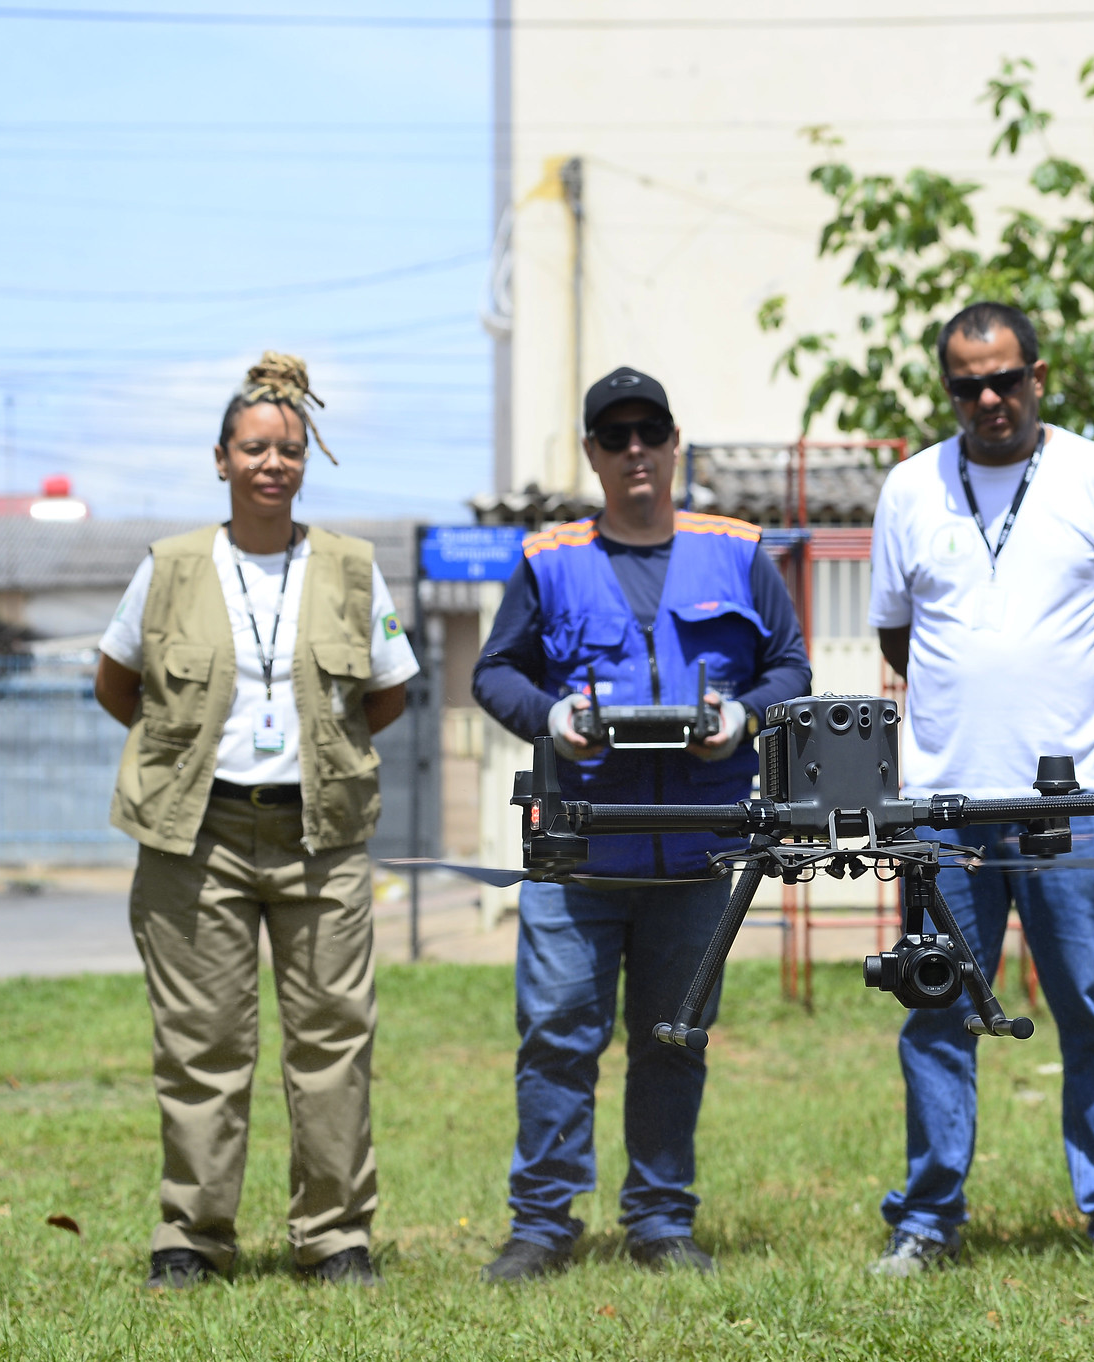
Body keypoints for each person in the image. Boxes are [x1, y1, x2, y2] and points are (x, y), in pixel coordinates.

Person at [472, 366, 811, 1281]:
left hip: (698, 853)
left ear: (673, 445)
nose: (633, 452)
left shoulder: (737, 551)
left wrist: (743, 718)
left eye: (648, 434)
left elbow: (791, 667)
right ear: (591, 452)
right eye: (613, 437)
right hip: (579, 850)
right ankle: (543, 1225)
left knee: (675, 1041)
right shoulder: (549, 560)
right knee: (557, 1038)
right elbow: (493, 672)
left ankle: (661, 1221)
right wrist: (550, 717)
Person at [94, 352, 420, 1289]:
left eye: (288, 448)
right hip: (198, 840)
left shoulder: (353, 568)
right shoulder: (170, 568)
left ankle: (334, 1238)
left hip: (321, 840)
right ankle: (190, 1239)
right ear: (221, 458)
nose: (271, 463)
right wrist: (195, 755)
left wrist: (315, 754)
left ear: (305, 457)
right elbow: (118, 684)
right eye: (253, 448)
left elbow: (388, 693)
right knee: (202, 1046)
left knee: (333, 1042)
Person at [866, 302, 1094, 1274]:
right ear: (946, 388)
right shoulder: (909, 488)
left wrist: (1060, 698)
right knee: (936, 1012)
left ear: (1040, 374)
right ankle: (926, 1219)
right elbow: (893, 637)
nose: (988, 399)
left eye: (1004, 379)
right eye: (966, 385)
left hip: (1070, 806)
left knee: (1089, 1007)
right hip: (943, 805)